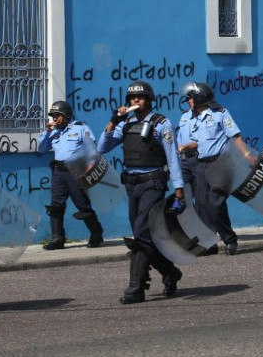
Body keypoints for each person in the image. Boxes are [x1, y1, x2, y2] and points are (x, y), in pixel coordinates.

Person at [97, 80, 186, 304]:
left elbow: (172, 157)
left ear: (149, 100)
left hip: (153, 183)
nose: (135, 101)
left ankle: (136, 288)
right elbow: (102, 147)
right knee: (143, 235)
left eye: (140, 97)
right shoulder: (124, 124)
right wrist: (113, 120)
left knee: (141, 233)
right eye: (131, 98)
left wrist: (179, 189)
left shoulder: (161, 123)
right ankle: (169, 271)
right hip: (132, 185)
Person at [182, 82, 240, 255]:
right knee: (202, 204)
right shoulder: (192, 118)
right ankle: (209, 243)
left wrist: (247, 156)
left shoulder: (221, 114)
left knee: (216, 203)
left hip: (220, 163)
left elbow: (235, 135)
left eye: (190, 98)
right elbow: (194, 142)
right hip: (200, 164)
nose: (188, 101)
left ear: (199, 97)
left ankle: (229, 238)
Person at [38, 100, 104, 250]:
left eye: (57, 115)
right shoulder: (53, 132)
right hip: (58, 172)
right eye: (53, 116)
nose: (54, 119)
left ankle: (96, 233)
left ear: (66, 115)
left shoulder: (80, 128)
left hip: (75, 172)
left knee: (83, 205)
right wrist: (46, 132)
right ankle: (57, 238)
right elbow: (41, 149)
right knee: (56, 206)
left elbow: (91, 147)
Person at [176, 91, 218, 255]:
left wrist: (185, 147)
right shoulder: (184, 117)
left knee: (203, 200)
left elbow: (199, 140)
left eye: (192, 98)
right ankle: (190, 236)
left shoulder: (206, 116)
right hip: (184, 161)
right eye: (187, 99)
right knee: (182, 199)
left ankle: (209, 241)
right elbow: (180, 137)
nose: (189, 101)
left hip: (198, 159)